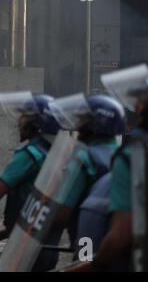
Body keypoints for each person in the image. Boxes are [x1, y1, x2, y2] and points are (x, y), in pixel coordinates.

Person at [66, 64, 148, 271]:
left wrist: (88, 266)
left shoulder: (133, 158)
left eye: (142, 103)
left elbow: (121, 235)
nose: (137, 109)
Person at [0, 91, 61, 271]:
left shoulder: (29, 154)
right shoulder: (51, 153)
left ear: (36, 123)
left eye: (24, 117)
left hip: (24, 251)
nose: (19, 122)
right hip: (46, 247)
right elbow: (34, 212)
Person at [47, 93, 126, 256]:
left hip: (86, 239)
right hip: (115, 244)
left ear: (94, 125)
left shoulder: (84, 158)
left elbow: (62, 214)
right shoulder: (121, 155)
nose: (77, 126)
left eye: (82, 121)